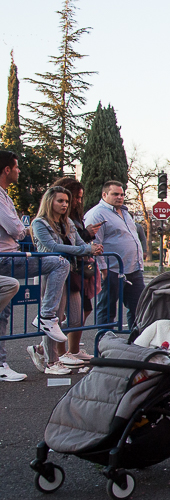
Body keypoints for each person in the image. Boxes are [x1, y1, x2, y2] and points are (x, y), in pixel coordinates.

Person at [0, 151, 69, 382]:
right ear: (7, 169)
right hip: (5, 258)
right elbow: (17, 229)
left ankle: (1, 363)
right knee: (59, 262)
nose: (19, 170)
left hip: (9, 257)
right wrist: (21, 228)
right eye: (17, 167)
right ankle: (46, 317)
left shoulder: (5, 196)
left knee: (4, 312)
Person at [29, 186, 103, 375]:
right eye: (60, 201)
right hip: (51, 272)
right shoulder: (39, 223)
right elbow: (53, 247)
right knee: (53, 317)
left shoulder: (68, 222)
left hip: (72, 272)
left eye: (66, 201)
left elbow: (79, 242)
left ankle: (45, 350)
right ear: (49, 202)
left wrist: (92, 247)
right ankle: (51, 361)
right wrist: (87, 250)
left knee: (76, 317)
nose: (64, 205)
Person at [51, 177, 102, 363]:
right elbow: (62, 244)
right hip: (64, 268)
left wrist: (89, 244)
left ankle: (69, 350)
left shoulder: (73, 218)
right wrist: (87, 240)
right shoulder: (50, 220)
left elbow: (78, 242)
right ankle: (56, 351)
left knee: (82, 310)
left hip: (79, 267)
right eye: (75, 198)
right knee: (61, 313)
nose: (77, 202)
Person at [85, 180, 145, 329]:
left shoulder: (125, 212)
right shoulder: (97, 214)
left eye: (122, 194)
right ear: (104, 194)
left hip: (133, 269)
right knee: (107, 308)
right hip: (111, 269)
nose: (119, 197)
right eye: (115, 194)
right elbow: (94, 244)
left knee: (139, 308)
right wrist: (103, 269)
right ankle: (104, 344)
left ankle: (136, 341)